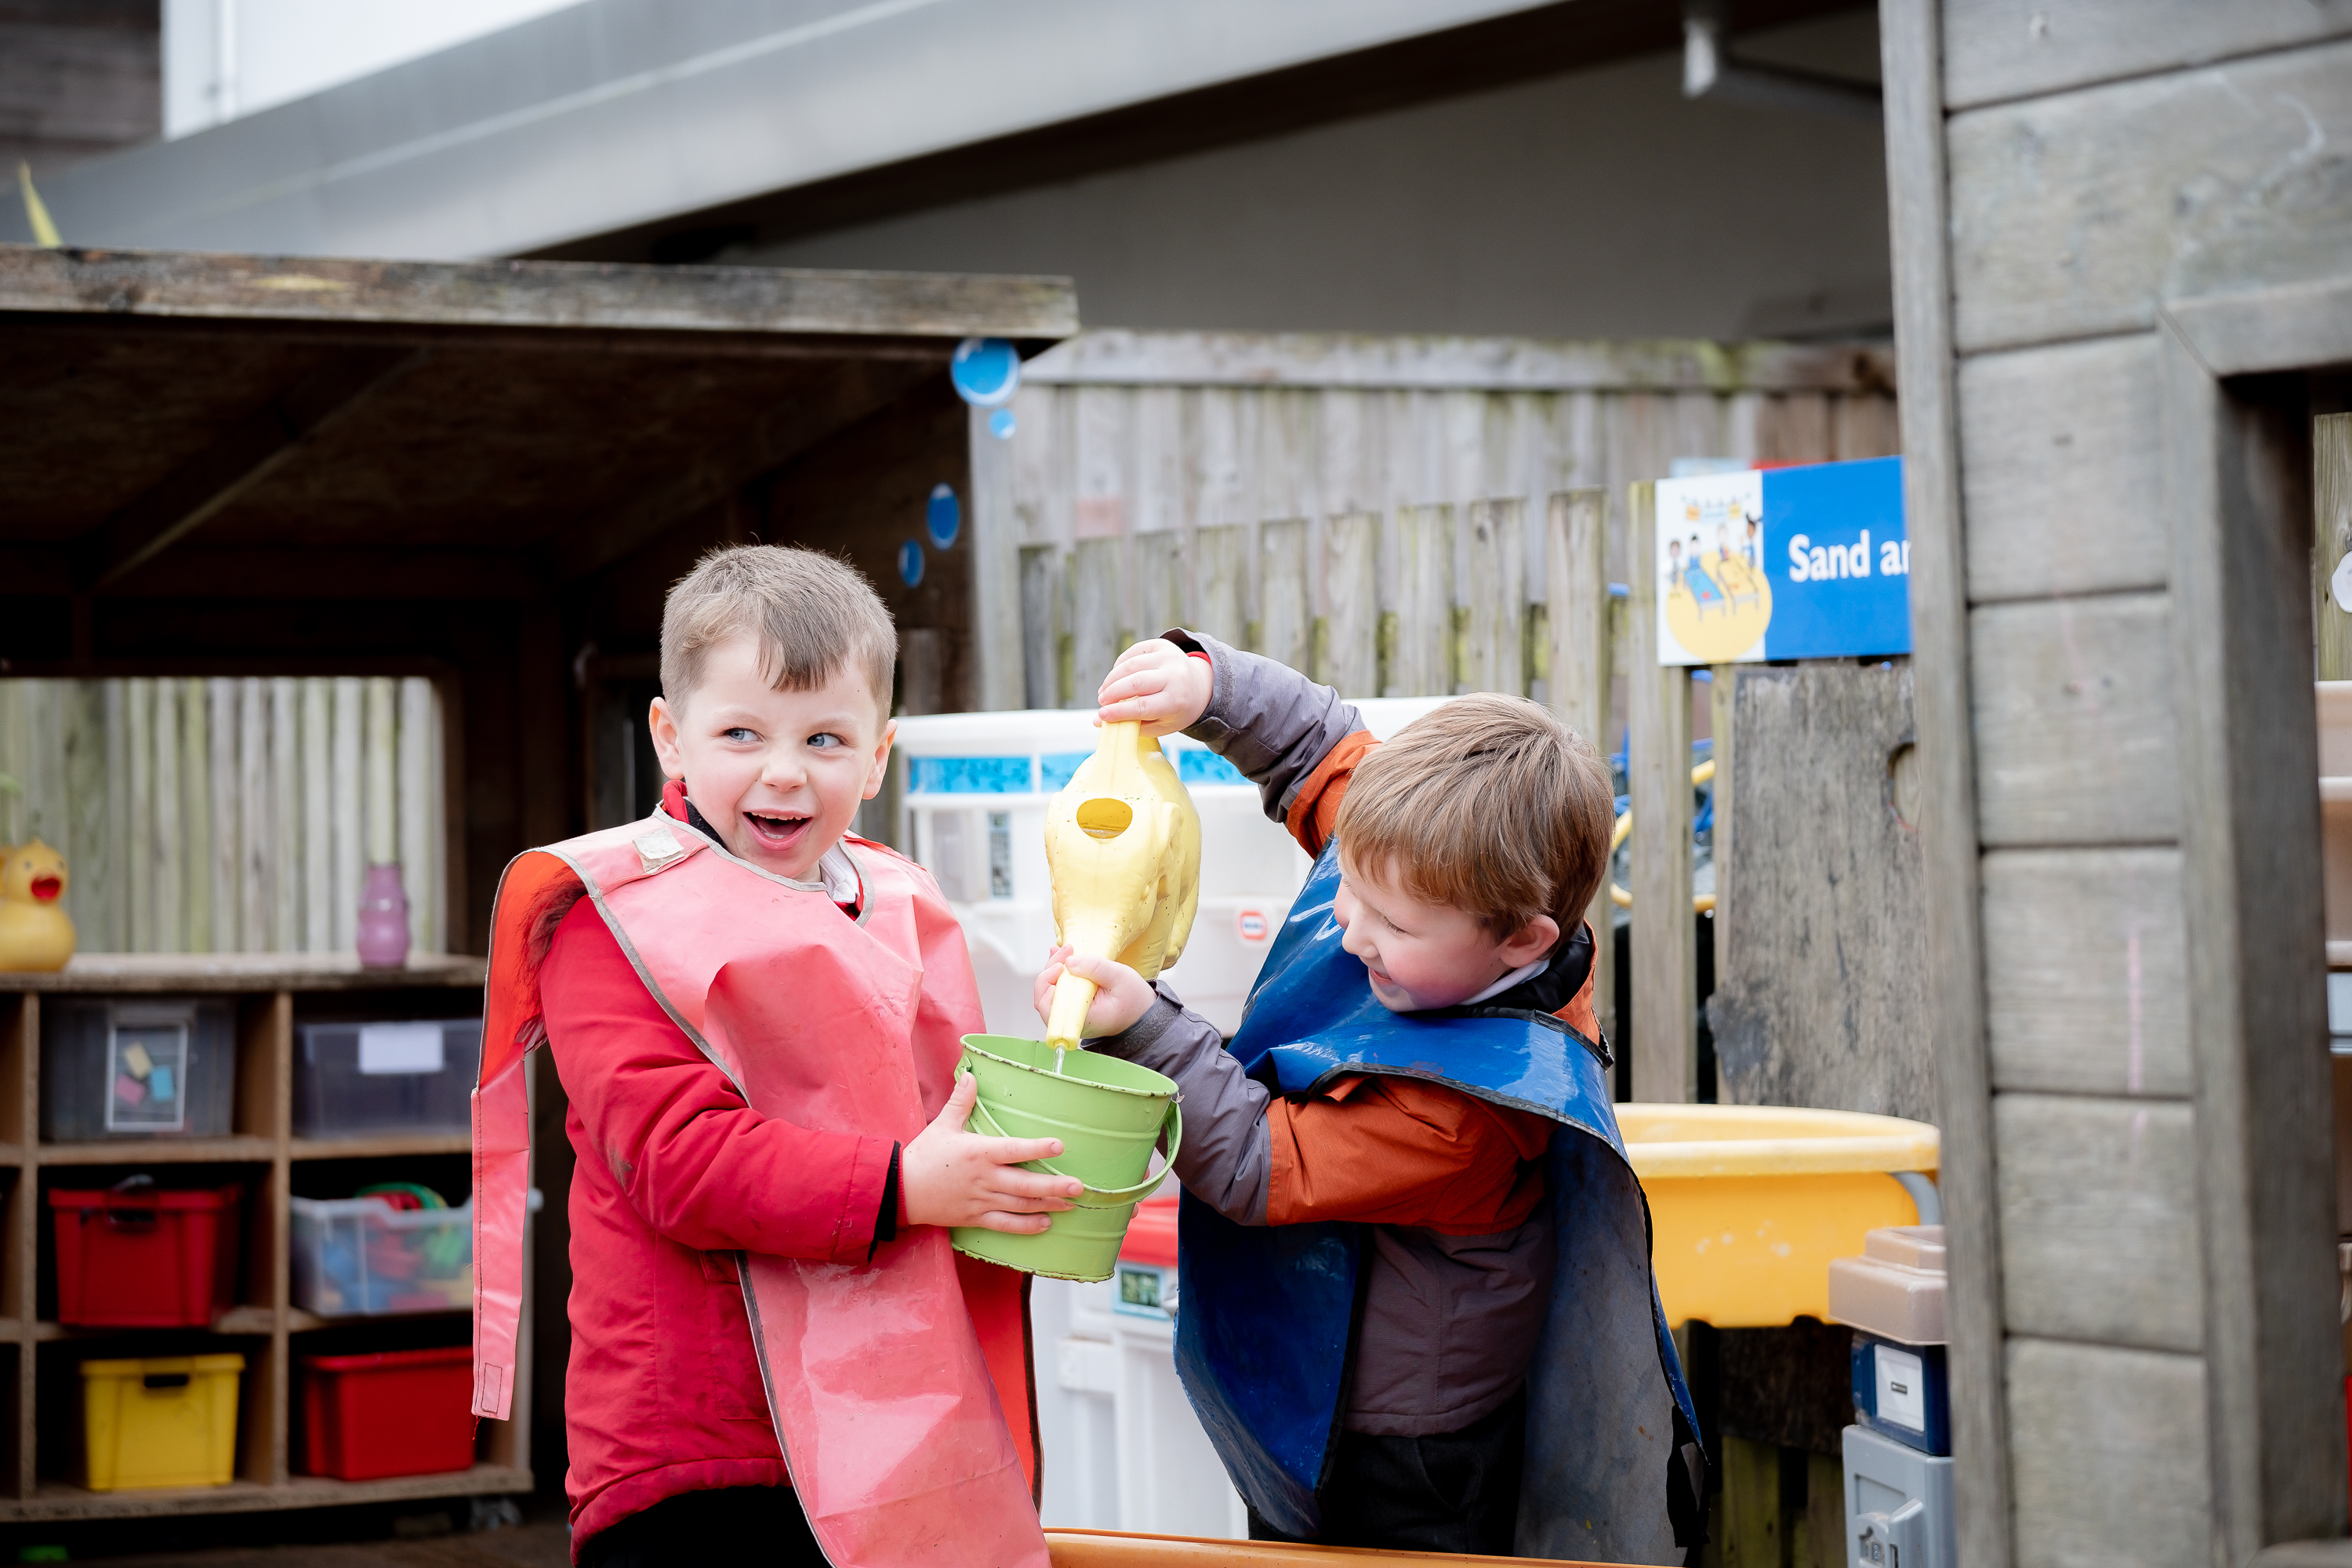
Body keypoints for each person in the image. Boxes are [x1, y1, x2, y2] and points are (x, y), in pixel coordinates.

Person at [1036, 633, 1705, 1565]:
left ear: (1522, 942)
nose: (1349, 926)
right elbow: (1322, 749)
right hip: (1335, 1347)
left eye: (1390, 923)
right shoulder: (1421, 862)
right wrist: (1210, 685)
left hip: (1409, 1441)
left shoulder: (1469, 1115)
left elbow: (1259, 1160)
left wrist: (1146, 1023)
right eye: (1346, 883)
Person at [470, 546, 1070, 1568]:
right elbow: (680, 1161)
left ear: (879, 756)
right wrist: (906, 1184)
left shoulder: (891, 904)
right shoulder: (614, 921)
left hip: (883, 1421)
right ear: (671, 735)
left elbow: (949, 1100)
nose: (783, 769)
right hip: (700, 1447)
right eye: (741, 733)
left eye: (825, 738)